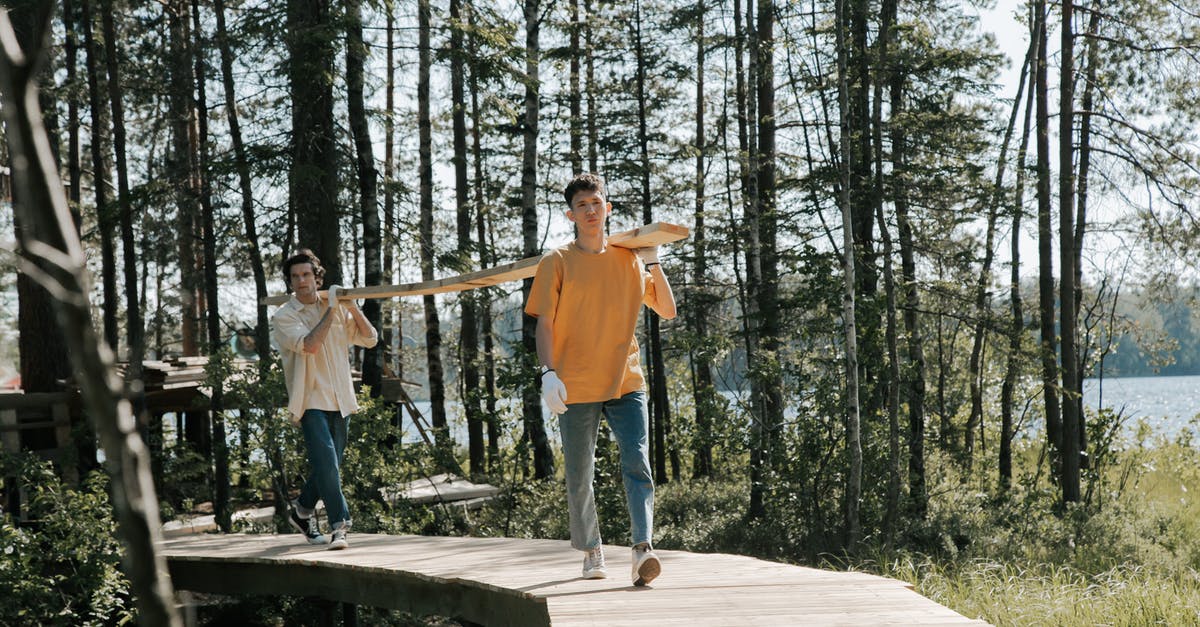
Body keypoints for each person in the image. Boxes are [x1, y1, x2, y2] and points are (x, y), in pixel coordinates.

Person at [524, 173, 677, 586]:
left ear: (607, 208)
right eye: (582, 206)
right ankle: (592, 550)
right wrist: (548, 372)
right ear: (571, 215)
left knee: (638, 462)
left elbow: (667, 310)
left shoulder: (628, 259)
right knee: (579, 474)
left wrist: (654, 261)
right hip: (574, 384)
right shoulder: (557, 261)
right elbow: (544, 322)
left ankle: (642, 549)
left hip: (626, 380)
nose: (590, 211)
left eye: (596, 203)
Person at [271, 249, 378, 550]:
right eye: (295, 276)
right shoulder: (284, 316)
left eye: (306, 275)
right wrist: (332, 309)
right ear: (290, 281)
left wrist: (351, 306)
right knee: (327, 463)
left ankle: (302, 511)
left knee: (329, 465)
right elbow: (310, 345)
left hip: (341, 398)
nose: (301, 281)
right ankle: (339, 527)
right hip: (310, 400)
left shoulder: (337, 308)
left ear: (317, 277)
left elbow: (370, 339)